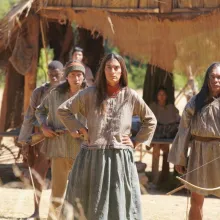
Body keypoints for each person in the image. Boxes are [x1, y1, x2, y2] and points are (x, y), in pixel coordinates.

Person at [57, 53, 157, 220]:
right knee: (91, 204)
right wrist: (80, 128)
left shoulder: (129, 96)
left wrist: (136, 141)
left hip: (120, 158)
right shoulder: (89, 93)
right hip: (92, 158)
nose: (113, 71)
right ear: (103, 71)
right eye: (109, 67)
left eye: (116, 68)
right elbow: (63, 110)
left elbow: (150, 120)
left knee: (119, 203)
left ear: (122, 71)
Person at [168, 62, 220, 220]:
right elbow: (183, 131)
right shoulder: (195, 103)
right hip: (199, 153)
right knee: (196, 200)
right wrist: (180, 158)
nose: (216, 80)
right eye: (213, 77)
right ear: (207, 78)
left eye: (219, 77)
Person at [35, 60, 86, 219]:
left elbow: (99, 117)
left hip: (84, 149)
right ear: (67, 77)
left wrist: (85, 130)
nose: (76, 78)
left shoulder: (91, 94)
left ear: (83, 77)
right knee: (58, 191)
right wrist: (44, 127)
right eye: (72, 75)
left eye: (79, 75)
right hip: (60, 148)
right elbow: (40, 111)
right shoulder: (55, 94)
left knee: (81, 191)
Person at [18, 60, 64, 218]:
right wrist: (25, 140)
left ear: (63, 74)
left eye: (57, 75)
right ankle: (37, 211)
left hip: (64, 142)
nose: (54, 78)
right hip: (42, 141)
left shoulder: (70, 92)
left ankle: (61, 213)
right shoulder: (39, 93)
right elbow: (29, 117)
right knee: (38, 176)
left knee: (64, 179)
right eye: (51, 75)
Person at [149, 86, 180, 184]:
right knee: (157, 151)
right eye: (160, 94)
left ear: (166, 96)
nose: (161, 97)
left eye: (163, 95)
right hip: (157, 134)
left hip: (168, 134)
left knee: (168, 153)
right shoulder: (153, 107)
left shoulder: (171, 107)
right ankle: (155, 179)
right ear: (157, 96)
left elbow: (177, 119)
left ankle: (166, 178)